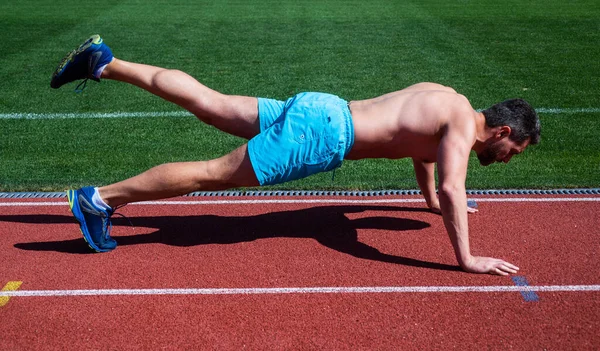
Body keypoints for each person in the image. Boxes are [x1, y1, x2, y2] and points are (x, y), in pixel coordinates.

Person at [52, 35, 540, 275]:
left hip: (322, 106)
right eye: (512, 149)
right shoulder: (460, 124)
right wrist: (468, 258)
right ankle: (99, 200)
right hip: (323, 136)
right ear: (501, 130)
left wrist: (430, 202)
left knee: (211, 102)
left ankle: (106, 63)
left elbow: (430, 159)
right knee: (210, 174)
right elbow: (456, 183)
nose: (507, 158)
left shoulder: (447, 96)